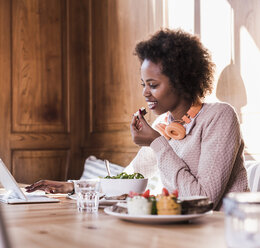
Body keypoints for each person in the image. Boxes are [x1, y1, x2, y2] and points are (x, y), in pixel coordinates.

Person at [26, 29, 249, 210]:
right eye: (144, 84)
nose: (145, 93)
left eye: (153, 85)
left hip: (223, 233)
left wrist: (156, 143)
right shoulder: (165, 125)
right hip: (183, 233)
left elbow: (203, 200)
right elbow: (126, 179)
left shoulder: (220, 117)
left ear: (182, 81)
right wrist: (73, 187)